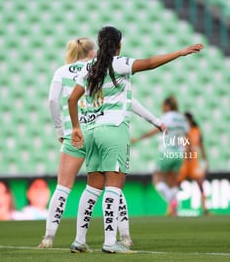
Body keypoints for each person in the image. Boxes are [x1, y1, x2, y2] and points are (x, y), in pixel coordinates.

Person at [68, 26, 203, 253]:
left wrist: (75, 128)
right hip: (114, 131)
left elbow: (73, 100)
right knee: (114, 187)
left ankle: (79, 241)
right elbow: (149, 63)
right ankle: (110, 243)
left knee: (92, 187)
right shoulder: (119, 63)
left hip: (91, 131)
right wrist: (180, 52)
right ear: (118, 45)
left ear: (100, 44)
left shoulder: (89, 68)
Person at [39, 37, 165, 252]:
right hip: (105, 127)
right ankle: (123, 236)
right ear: (91, 52)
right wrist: (155, 121)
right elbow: (129, 99)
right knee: (114, 183)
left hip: (76, 131)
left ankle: (50, 237)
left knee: (65, 187)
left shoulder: (63, 71)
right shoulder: (101, 65)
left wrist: (61, 130)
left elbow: (53, 101)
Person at [131, 96, 190, 217]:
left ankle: (172, 202)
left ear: (167, 106)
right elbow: (187, 136)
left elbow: (155, 130)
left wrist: (138, 138)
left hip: (167, 151)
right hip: (179, 153)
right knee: (172, 181)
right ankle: (175, 212)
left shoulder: (167, 117)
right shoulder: (182, 118)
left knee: (157, 178)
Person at [177, 111, 210, 215]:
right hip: (184, 161)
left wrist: (205, 160)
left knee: (200, 184)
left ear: (190, 120)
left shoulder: (196, 131)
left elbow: (201, 145)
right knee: (176, 184)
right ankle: (172, 209)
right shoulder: (181, 131)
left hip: (194, 161)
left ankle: (205, 208)